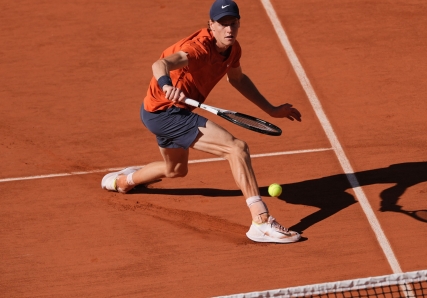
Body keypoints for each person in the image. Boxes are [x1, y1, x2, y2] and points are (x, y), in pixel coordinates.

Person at [101, 0, 302, 244]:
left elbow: (237, 79)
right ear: (211, 25)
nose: (229, 29)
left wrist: (271, 109)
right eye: (223, 24)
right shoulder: (197, 49)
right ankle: (260, 220)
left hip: (164, 112)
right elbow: (160, 64)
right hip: (165, 111)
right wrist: (166, 85)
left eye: (234, 24)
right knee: (236, 148)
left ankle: (123, 181)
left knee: (175, 170)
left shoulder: (233, 49)